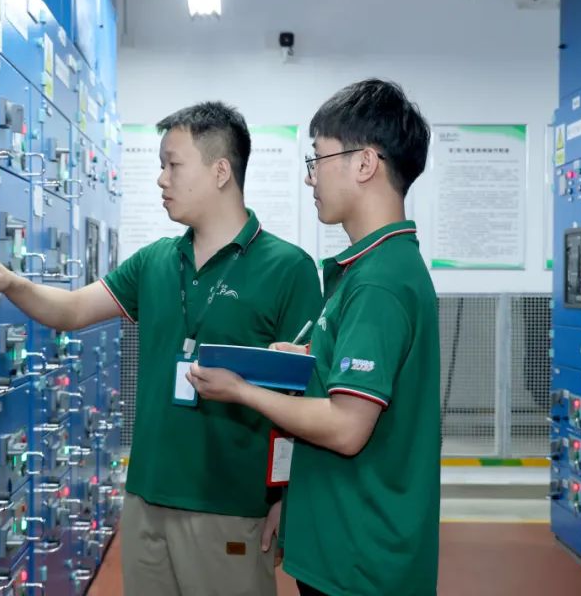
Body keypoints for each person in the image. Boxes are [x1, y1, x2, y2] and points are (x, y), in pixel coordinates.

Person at [0, 101, 323, 596]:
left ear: (220, 172)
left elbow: (304, 395)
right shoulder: (155, 262)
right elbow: (72, 310)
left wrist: (284, 497)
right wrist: (12, 283)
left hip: (232, 507)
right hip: (146, 501)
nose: (161, 179)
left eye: (173, 165)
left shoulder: (288, 269)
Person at [188, 79, 441, 596]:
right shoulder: (374, 267)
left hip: (359, 561)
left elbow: (347, 427)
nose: (311, 177)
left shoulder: (379, 282)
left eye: (319, 158)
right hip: (343, 542)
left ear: (364, 164)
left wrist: (241, 390)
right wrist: (309, 357)